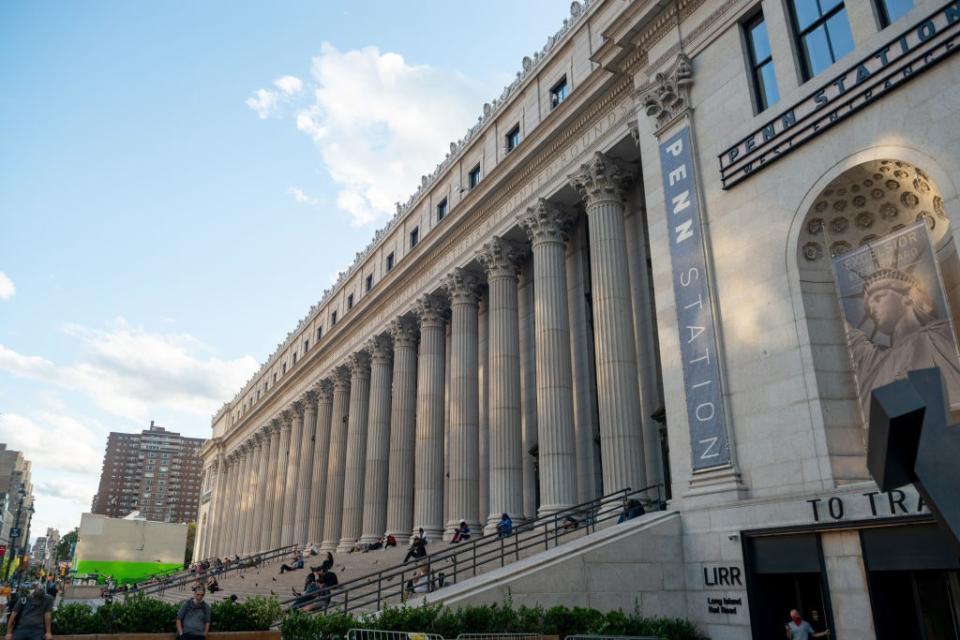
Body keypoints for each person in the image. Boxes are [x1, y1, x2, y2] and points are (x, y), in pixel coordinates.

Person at [844, 263, 960, 422]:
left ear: (907, 297)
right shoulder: (875, 361)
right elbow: (850, 338)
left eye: (878, 298)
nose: (871, 310)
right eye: (868, 308)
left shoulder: (943, 332)